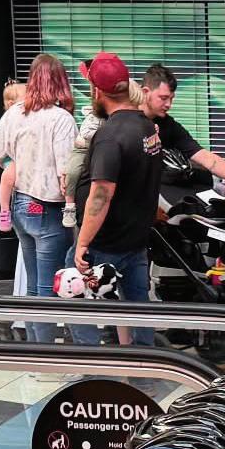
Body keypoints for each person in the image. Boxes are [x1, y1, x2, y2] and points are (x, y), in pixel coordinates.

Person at [0, 53, 77, 343]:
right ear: (60, 82)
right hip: (49, 209)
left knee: (34, 286)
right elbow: (66, 172)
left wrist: (15, 167)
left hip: (21, 205)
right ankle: (46, 355)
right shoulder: (61, 119)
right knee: (48, 290)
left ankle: (36, 350)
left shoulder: (15, 112)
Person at [72, 53, 162, 348]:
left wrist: (83, 243)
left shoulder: (110, 136)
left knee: (79, 305)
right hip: (134, 239)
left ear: (98, 92)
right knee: (139, 311)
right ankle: (146, 367)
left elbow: (101, 194)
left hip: (105, 244)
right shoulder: (147, 127)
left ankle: (92, 365)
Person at [138, 63, 225, 195]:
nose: (169, 104)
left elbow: (206, 158)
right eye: (163, 98)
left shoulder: (169, 126)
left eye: (171, 98)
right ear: (145, 92)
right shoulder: (125, 122)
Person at [64, 78, 144, 228]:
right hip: (83, 149)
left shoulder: (135, 126)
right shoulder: (100, 120)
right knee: (72, 172)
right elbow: (100, 195)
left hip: (120, 217)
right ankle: (69, 205)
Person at [0, 78, 25, 233]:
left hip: (22, 158)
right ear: (13, 104)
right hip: (12, 158)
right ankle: (4, 211)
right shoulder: (10, 119)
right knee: (8, 176)